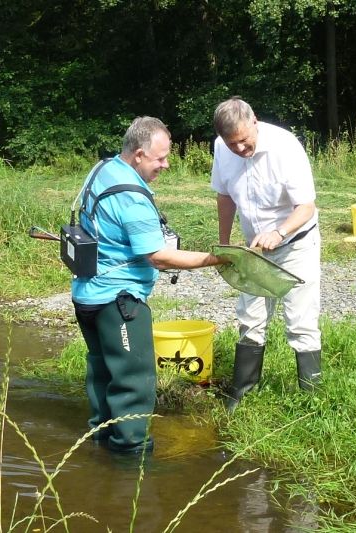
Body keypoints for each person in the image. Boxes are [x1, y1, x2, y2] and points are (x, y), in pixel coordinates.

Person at [71, 116, 227, 453]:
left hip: (85, 295)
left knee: (101, 370)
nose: (166, 165)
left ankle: (99, 442)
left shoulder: (102, 169)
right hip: (120, 304)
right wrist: (217, 259)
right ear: (139, 154)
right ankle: (131, 455)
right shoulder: (133, 199)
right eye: (161, 158)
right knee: (133, 381)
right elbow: (158, 257)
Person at [210, 97, 322, 411]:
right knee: (250, 318)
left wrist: (279, 232)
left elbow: (307, 207)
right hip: (253, 249)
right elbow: (224, 196)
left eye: (245, 142)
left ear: (255, 121)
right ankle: (241, 394)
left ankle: (310, 401)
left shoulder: (286, 148)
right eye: (233, 145)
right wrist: (224, 243)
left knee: (300, 321)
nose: (241, 150)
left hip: (296, 243)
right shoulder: (222, 148)